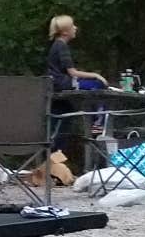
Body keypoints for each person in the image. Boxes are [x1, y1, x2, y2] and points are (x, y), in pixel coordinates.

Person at [46, 15, 108, 153]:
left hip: (56, 85)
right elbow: (72, 72)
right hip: (63, 84)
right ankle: (98, 124)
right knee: (98, 85)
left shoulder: (57, 45)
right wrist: (96, 75)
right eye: (73, 25)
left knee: (64, 118)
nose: (75, 28)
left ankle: (56, 155)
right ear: (65, 31)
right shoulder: (61, 46)